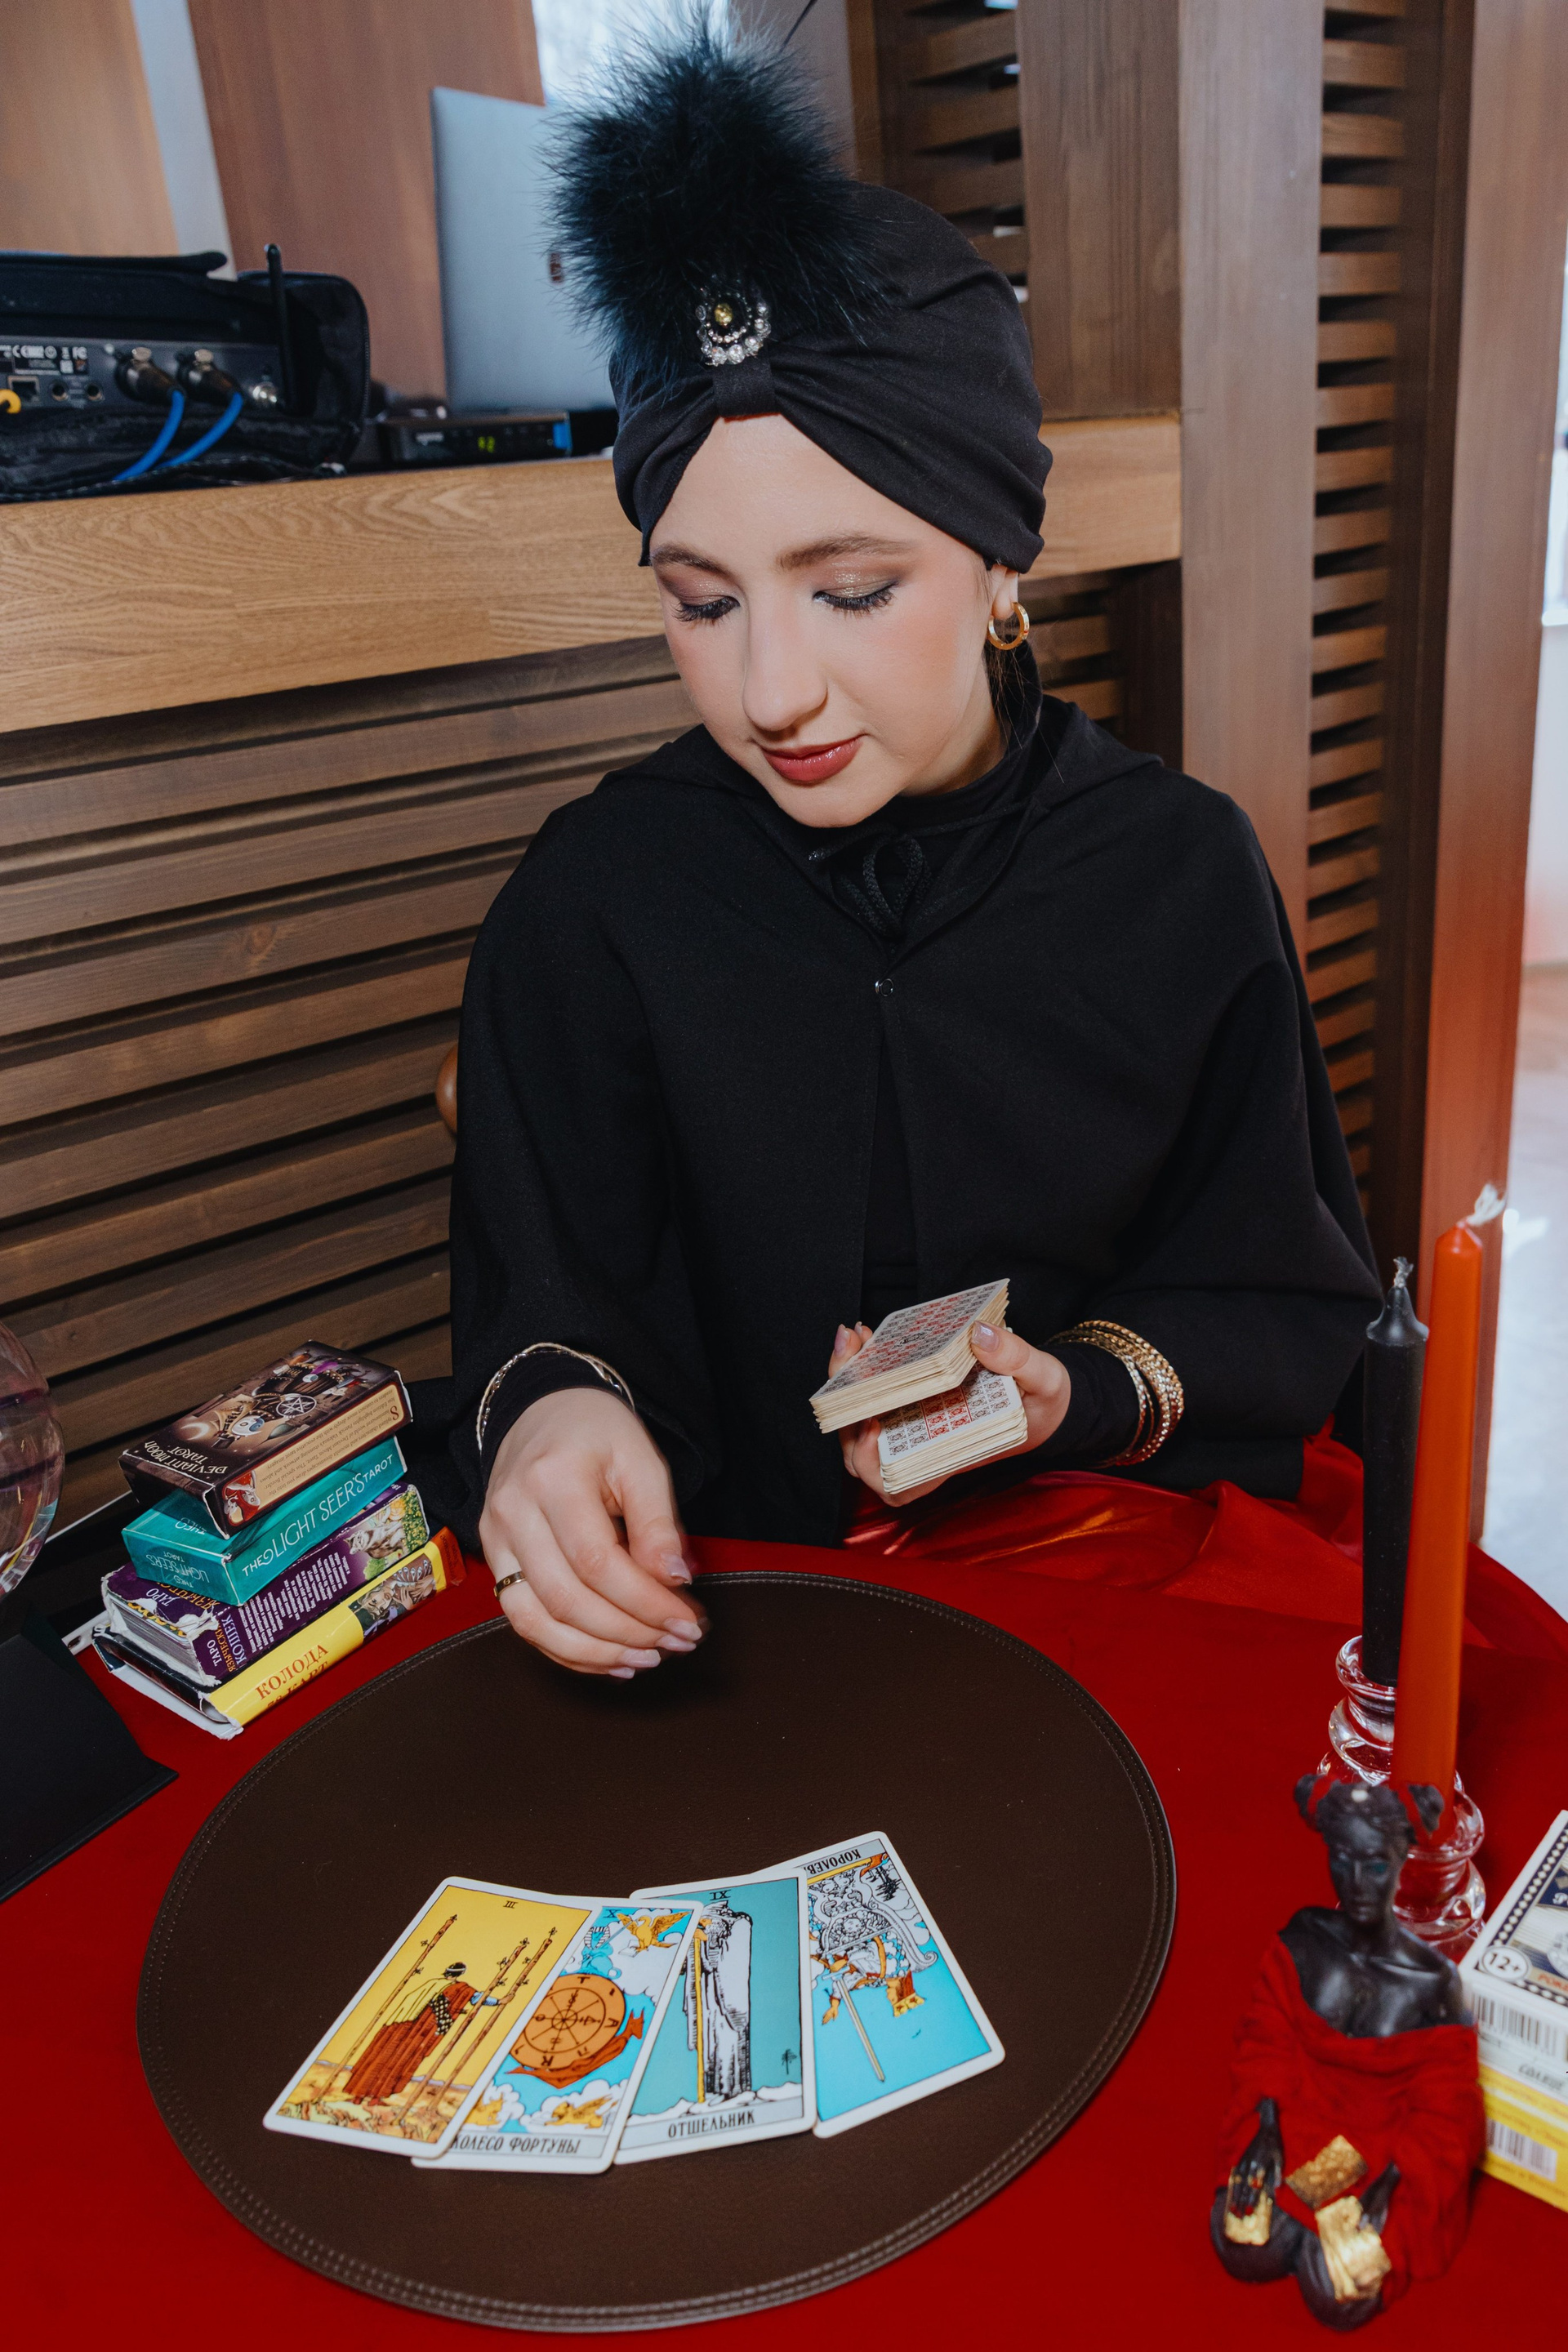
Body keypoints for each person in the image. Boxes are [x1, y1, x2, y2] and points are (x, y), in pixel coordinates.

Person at [439, 22, 1382, 1677]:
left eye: (853, 591)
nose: (772, 690)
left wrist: (1066, 1388)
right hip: (729, 1625)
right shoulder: (594, 902)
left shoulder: (1176, 874)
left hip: (1107, 1574)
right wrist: (552, 1418)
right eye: (702, 604)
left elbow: (1277, 1298)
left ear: (1004, 559)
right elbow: (550, 1300)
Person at [1213, 1778, 1483, 2325]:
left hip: (1387, 2144)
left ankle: (1321, 2232)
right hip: (1301, 2115)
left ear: (1401, 1859)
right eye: (1343, 1861)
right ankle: (1301, 2218)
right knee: (1245, 2245)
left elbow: (1446, 2110)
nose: (1358, 1885)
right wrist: (1266, 2125)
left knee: (1335, 2290)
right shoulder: (1305, 1940)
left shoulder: (1432, 1984)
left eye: (1376, 1865)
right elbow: (1268, 2037)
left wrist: (1392, 2184)